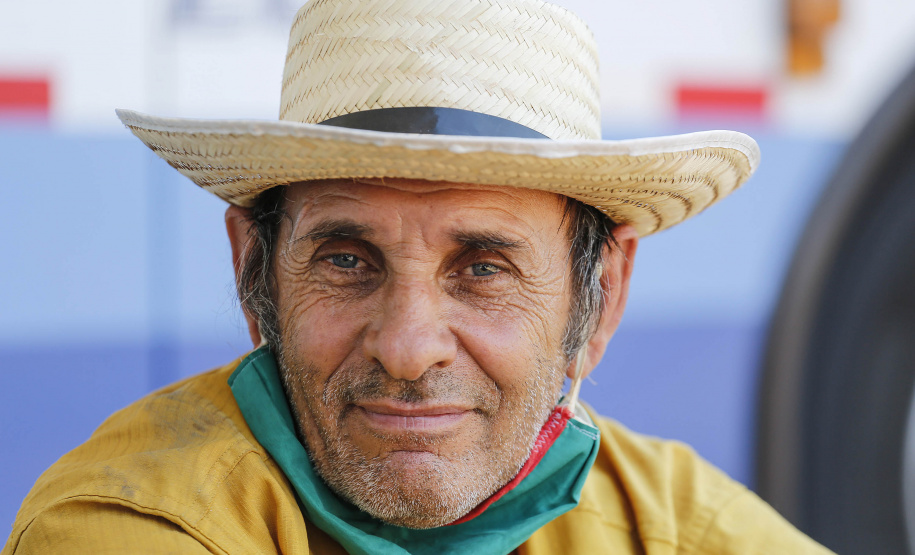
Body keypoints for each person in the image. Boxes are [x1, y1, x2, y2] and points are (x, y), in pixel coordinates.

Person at [3, 0, 832, 553]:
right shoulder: (134, 525)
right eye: (346, 261)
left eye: (482, 268)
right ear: (256, 273)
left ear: (601, 296)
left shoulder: (676, 523)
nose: (406, 347)